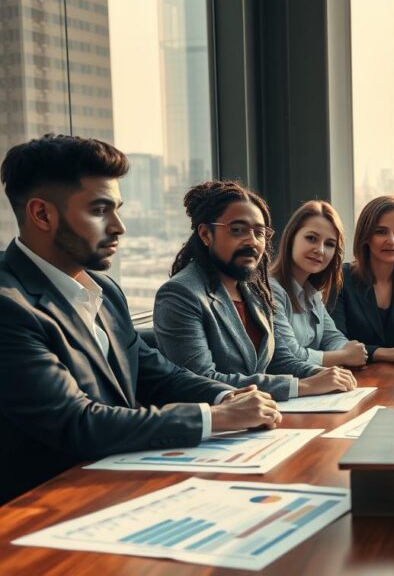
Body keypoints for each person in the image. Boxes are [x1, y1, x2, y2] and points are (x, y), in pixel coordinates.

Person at [0, 135, 280, 503]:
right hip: (44, 509)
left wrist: (230, 395)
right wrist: (217, 418)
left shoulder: (104, 290)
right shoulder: (10, 305)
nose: (119, 226)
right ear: (42, 214)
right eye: (100, 210)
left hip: (123, 484)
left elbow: (158, 373)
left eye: (117, 209)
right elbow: (76, 423)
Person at [154, 180, 357, 401]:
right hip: (217, 425)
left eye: (259, 233)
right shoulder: (180, 293)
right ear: (205, 234)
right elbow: (202, 380)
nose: (252, 241)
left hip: (261, 416)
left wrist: (325, 375)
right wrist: (302, 386)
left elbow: (280, 361)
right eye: (238, 230)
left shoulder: (255, 289)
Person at [269, 200, 368, 370]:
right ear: (291, 237)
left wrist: (349, 350)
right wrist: (344, 356)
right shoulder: (271, 289)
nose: (320, 250)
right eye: (311, 238)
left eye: (329, 244)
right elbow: (290, 356)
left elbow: (333, 338)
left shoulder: (312, 293)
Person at [330, 195, 394, 363]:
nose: (392, 241)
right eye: (381, 232)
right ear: (366, 237)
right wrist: (386, 353)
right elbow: (336, 344)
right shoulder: (341, 278)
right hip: (352, 379)